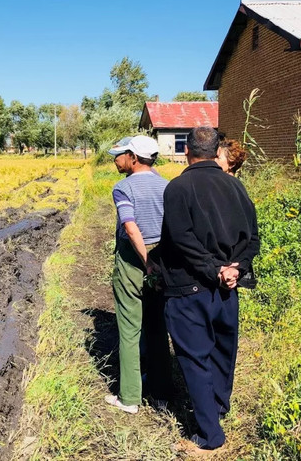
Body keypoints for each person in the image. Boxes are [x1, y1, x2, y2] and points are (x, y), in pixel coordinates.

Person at [157, 127, 259, 451]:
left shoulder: (178, 188)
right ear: (217, 152)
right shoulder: (237, 187)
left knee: (194, 358)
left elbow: (180, 238)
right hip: (228, 290)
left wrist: (215, 269)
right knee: (223, 353)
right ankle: (216, 410)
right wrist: (235, 268)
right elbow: (252, 238)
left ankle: (209, 435)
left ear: (187, 151)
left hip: (189, 290)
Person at [104, 135, 171, 414]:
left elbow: (131, 228)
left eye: (119, 155)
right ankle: (161, 393)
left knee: (130, 328)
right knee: (157, 326)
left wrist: (146, 262)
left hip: (135, 259)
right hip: (163, 256)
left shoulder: (123, 188)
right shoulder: (167, 186)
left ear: (133, 156)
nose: (115, 160)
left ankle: (130, 398)